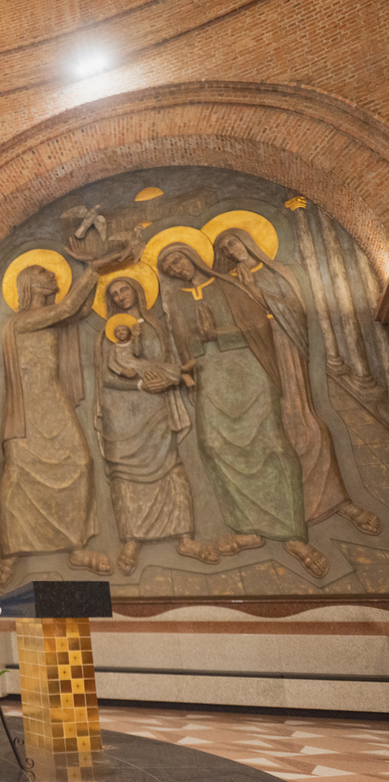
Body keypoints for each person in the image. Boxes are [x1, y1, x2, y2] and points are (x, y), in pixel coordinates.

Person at [157, 243, 328, 577]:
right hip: (209, 374)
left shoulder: (227, 285)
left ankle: (294, 536)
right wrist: (189, 362)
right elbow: (182, 344)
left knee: (273, 446)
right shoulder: (175, 301)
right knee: (214, 446)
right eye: (168, 268)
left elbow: (258, 327)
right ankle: (247, 528)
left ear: (192, 256)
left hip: (248, 369)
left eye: (177, 259)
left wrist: (216, 333)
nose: (175, 268)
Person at [212, 227, 380, 536]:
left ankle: (337, 502)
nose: (229, 249)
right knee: (271, 436)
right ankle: (286, 513)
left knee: (304, 423)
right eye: (222, 248)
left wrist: (263, 298)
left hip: (286, 349)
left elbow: (299, 312)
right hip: (253, 361)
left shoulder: (278, 271)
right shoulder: (229, 283)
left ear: (246, 239)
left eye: (232, 241)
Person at [0, 252, 119, 587]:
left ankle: (75, 547)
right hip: (28, 410)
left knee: (81, 464)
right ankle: (11, 551)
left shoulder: (51, 317)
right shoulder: (20, 322)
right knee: (19, 479)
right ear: (31, 285)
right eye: (42, 273)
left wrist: (95, 269)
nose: (52, 277)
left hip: (54, 403)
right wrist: (93, 268)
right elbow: (66, 309)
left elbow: (79, 310)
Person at [94, 277, 215, 576]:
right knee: (125, 474)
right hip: (123, 412)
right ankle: (131, 541)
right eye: (115, 294)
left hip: (156, 408)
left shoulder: (157, 326)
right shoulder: (107, 336)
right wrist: (139, 385)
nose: (121, 296)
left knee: (169, 466)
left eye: (124, 289)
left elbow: (167, 360)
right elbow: (107, 379)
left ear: (137, 289)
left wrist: (169, 379)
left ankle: (185, 538)